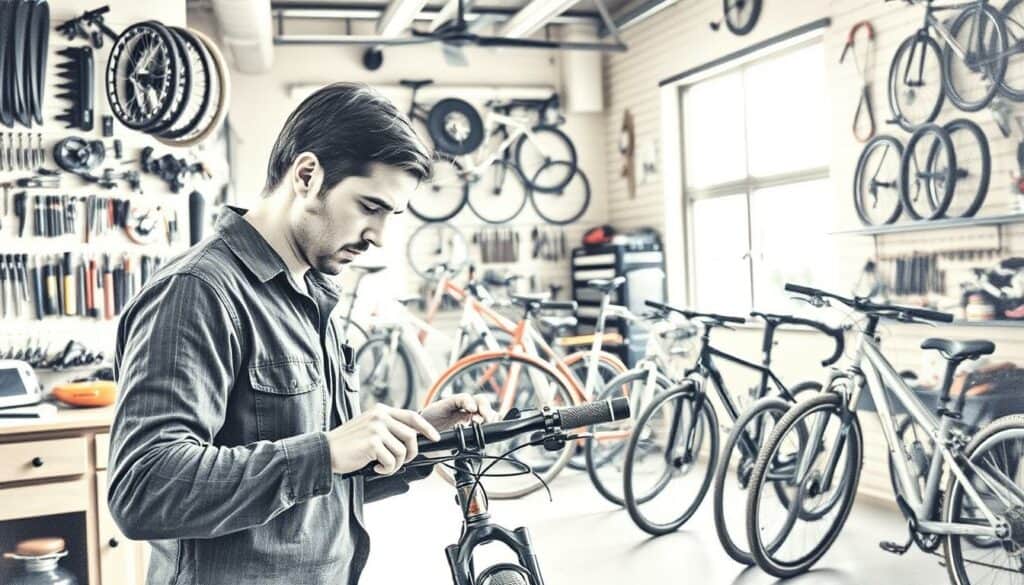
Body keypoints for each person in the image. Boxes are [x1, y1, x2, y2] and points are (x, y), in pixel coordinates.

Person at [107, 82, 496, 585]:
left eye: (392, 215)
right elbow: (144, 488)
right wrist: (325, 451)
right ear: (308, 175)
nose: (381, 236)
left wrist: (417, 438)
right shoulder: (198, 292)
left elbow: (321, 481)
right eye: (370, 207)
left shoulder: (312, 294)